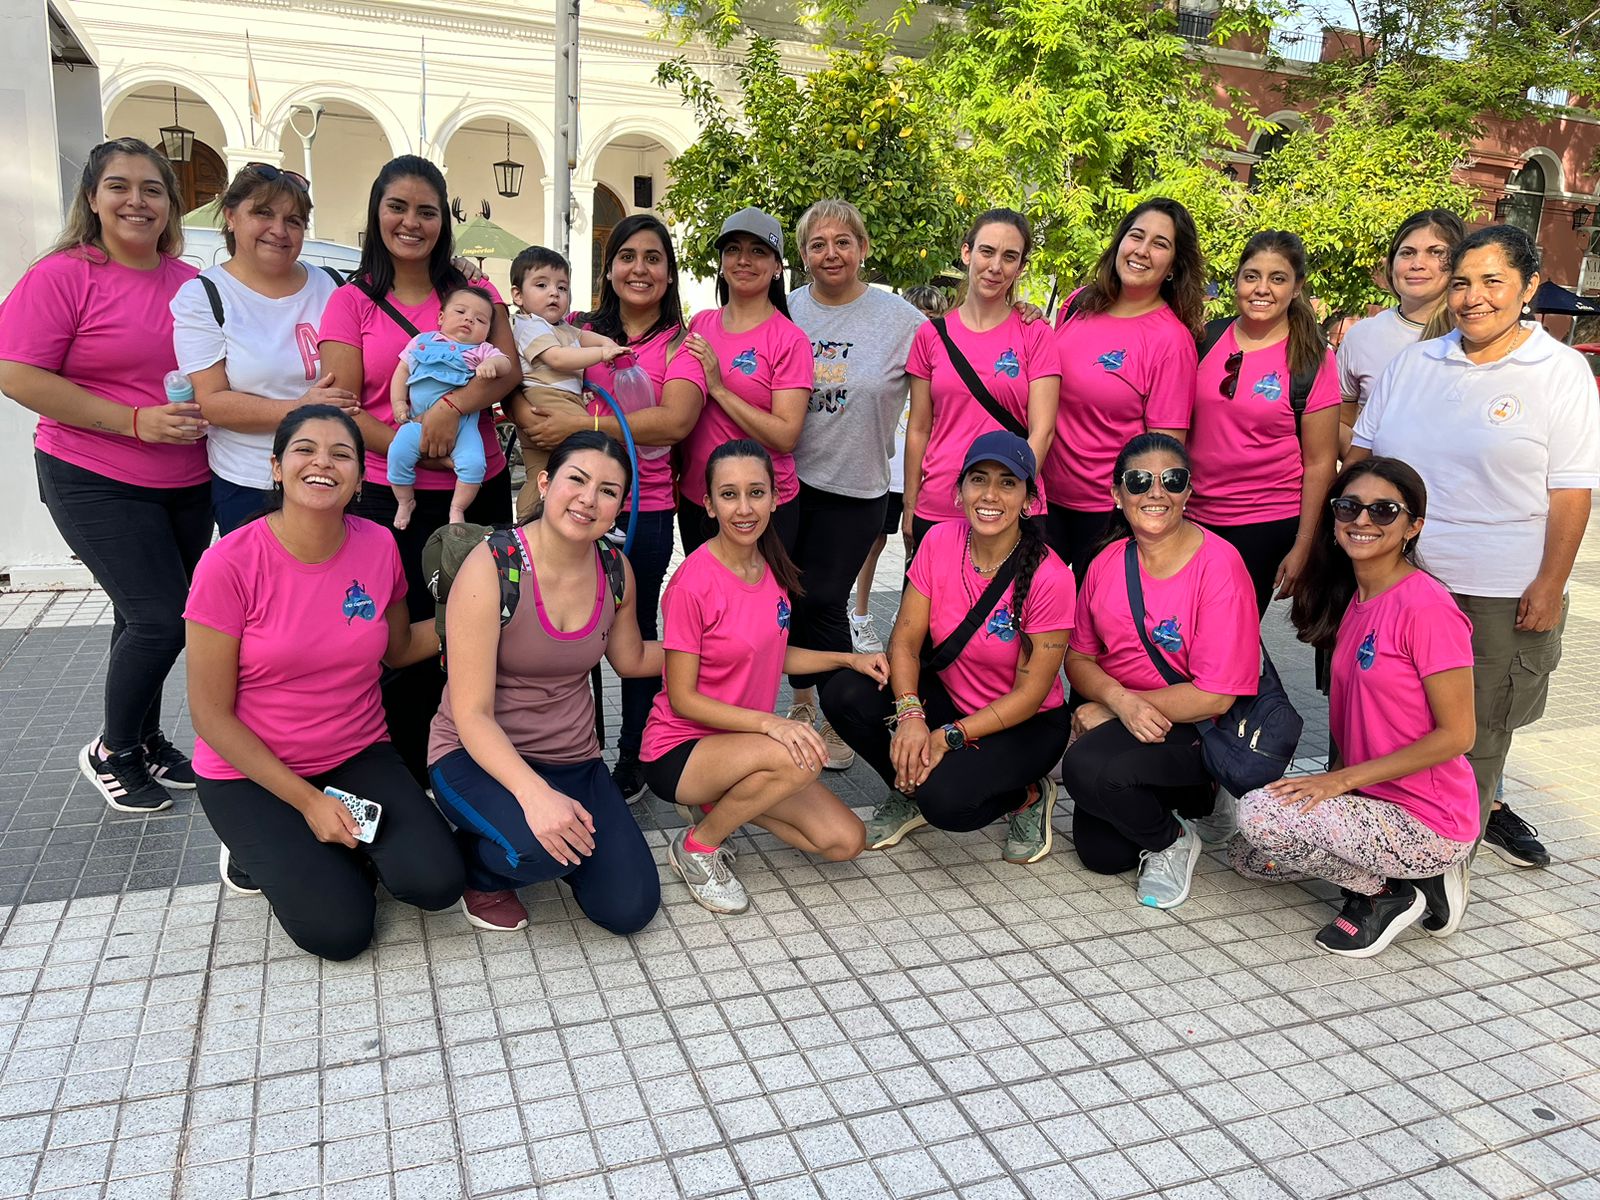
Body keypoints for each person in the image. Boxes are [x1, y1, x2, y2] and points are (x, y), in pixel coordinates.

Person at [1350, 224, 1600, 869]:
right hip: (1399, 584)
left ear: (1528, 288)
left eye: (1493, 281)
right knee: (1385, 719)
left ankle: (1445, 869)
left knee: (1477, 734)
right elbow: (1363, 459)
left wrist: (1550, 583)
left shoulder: (1560, 372)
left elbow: (1572, 492)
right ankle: (1376, 851)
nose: (1473, 297)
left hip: (1498, 589)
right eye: (1461, 282)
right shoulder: (1415, 365)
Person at [184, 405, 464, 960]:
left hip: (356, 752)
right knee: (340, 933)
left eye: (341, 454)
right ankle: (259, 846)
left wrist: (481, 615)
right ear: (277, 468)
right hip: (251, 771)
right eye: (305, 450)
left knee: (437, 883)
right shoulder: (227, 564)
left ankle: (311, 848)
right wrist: (308, 802)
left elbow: (398, 648)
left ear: (360, 479)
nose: (323, 463)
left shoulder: (378, 544)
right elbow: (209, 716)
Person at [0, 137, 209, 813]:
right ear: (92, 198)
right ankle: (112, 750)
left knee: (142, 615)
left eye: (152, 189)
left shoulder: (187, 281)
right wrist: (133, 421)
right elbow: (16, 373)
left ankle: (144, 738)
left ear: (170, 203)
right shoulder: (64, 275)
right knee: (161, 618)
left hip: (186, 479)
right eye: (118, 186)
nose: (136, 201)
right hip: (92, 474)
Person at [317, 155, 520, 783]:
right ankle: (409, 769)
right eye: (397, 207)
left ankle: (474, 763)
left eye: (427, 211)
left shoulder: (474, 294)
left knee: (487, 624)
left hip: (477, 489)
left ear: (443, 221)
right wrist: (420, 440)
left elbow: (507, 372)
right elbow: (344, 408)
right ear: (376, 212)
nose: (411, 222)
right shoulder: (350, 302)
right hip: (390, 492)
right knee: (403, 639)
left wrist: (451, 410)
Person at [1231, 457, 1475, 957]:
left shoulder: (1428, 608)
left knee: (1261, 817)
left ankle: (1388, 893)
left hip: (1426, 818)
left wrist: (1336, 783)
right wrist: (1336, 788)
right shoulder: (1353, 597)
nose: (1363, 520)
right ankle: (1409, 877)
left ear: (1413, 526)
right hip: (1370, 801)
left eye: (1384, 510)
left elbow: (1458, 735)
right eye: (1349, 507)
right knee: (1249, 857)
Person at [428, 432, 663, 934]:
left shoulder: (615, 570)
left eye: (607, 491)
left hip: (573, 760)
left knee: (629, 908)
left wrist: (719, 648)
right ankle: (479, 869)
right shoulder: (494, 566)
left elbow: (633, 659)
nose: (588, 499)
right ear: (544, 483)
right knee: (538, 850)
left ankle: (548, 842)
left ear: (619, 507)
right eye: (576, 480)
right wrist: (535, 796)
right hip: (475, 756)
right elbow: (471, 715)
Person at [640, 440, 885, 915]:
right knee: (801, 756)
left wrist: (847, 659)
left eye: (756, 492)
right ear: (709, 504)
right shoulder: (692, 583)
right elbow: (684, 698)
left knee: (845, 841)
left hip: (745, 751)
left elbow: (773, 651)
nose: (744, 508)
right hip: (681, 749)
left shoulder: (771, 567)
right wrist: (773, 724)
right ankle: (698, 846)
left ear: (776, 498)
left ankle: (722, 804)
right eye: (728, 495)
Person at [517, 214, 707, 803]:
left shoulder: (681, 343)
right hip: (568, 505)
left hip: (643, 510)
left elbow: (674, 421)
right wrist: (530, 419)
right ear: (609, 268)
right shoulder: (573, 328)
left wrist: (582, 426)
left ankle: (635, 755)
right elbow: (525, 382)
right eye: (627, 256)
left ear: (669, 272)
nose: (639, 269)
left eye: (653, 258)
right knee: (564, 627)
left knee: (635, 632)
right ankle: (577, 750)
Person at [823, 431, 1075, 863]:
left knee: (947, 803)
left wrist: (947, 736)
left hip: (1024, 724)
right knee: (844, 692)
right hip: (950, 697)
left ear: (1029, 500)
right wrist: (911, 716)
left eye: (1008, 483)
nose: (990, 495)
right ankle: (907, 788)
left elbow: (1031, 695)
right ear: (959, 492)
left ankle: (1027, 796)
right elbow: (904, 642)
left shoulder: (1051, 577)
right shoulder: (940, 541)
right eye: (978, 479)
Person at [1061, 434, 1260, 909]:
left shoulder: (1220, 564)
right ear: (1117, 494)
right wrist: (1119, 701)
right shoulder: (1105, 562)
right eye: (1139, 481)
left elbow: (1215, 695)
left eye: (1172, 479)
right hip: (1132, 719)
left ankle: (1178, 835)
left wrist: (1119, 710)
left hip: (1199, 726)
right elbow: (1078, 658)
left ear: (1189, 490)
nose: (1156, 492)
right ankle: (1175, 807)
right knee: (1102, 854)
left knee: (1085, 767)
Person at [783, 200, 928, 770]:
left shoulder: (902, 321)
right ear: (802, 255)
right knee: (790, 596)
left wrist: (914, 497)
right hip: (789, 484)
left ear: (863, 248)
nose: (831, 253)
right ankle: (802, 705)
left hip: (858, 488)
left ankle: (841, 714)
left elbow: (930, 410)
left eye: (843, 241)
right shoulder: (788, 308)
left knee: (823, 598)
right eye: (817, 244)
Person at [171, 162, 356, 534]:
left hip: (332, 475)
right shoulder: (205, 295)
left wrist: (458, 273)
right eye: (263, 213)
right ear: (231, 216)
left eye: (294, 220)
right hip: (251, 483)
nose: (279, 230)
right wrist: (299, 408)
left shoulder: (334, 285)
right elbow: (211, 402)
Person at [1043, 198, 1204, 579]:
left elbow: (1163, 453)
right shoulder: (1078, 304)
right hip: (1043, 502)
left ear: (1173, 266)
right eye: (1136, 236)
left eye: (1160, 244)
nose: (1142, 251)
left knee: (1091, 617)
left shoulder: (1171, 341)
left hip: (1108, 517)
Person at [1185, 231, 1340, 615]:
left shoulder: (1311, 359)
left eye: (1278, 278)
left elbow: (1320, 463)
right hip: (1190, 516)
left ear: (1297, 287)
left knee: (1231, 631)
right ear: (1237, 280)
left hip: (1264, 525)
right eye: (1252, 276)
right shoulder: (1204, 339)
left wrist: (1303, 545)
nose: (1262, 289)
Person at [903, 209, 1060, 552]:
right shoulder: (931, 335)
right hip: (940, 503)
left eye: (1009, 257)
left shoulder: (1034, 334)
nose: (995, 266)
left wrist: (1014, 493)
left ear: (1020, 267)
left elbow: (1043, 431)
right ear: (966, 252)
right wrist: (910, 504)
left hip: (1009, 508)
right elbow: (919, 428)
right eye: (987, 251)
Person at [678, 208, 813, 553]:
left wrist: (719, 389)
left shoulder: (790, 340)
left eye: (758, 251)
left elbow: (786, 436)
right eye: (733, 249)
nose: (743, 260)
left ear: (777, 267)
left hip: (759, 506)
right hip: (699, 498)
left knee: (759, 590)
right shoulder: (701, 324)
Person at [851, 284, 950, 655]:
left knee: (917, 551)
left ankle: (908, 616)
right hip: (884, 472)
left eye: (933, 317)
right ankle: (860, 614)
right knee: (873, 543)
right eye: (919, 316)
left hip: (921, 475)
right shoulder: (889, 361)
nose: (925, 324)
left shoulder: (942, 365)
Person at [506, 245, 626, 519]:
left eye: (562, 288)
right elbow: (558, 358)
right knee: (592, 450)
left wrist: (608, 343)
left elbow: (584, 337)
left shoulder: (560, 327)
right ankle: (531, 521)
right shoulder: (528, 325)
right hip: (547, 398)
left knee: (546, 470)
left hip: (560, 398)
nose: (554, 293)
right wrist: (602, 354)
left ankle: (534, 521)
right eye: (542, 285)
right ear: (518, 295)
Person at [1337, 209, 1466, 454]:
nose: (1417, 264)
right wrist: (1367, 465)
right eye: (1407, 253)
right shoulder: (1362, 335)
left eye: (1435, 252)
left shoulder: (1472, 337)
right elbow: (1341, 422)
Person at [387, 286, 515, 528]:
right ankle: (405, 500)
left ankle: (457, 508)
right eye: (460, 312)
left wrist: (492, 365)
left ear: (487, 332)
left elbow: (506, 364)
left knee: (474, 465)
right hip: (417, 421)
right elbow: (402, 371)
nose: (469, 319)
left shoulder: (481, 350)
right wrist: (398, 402)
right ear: (441, 317)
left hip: (463, 426)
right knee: (397, 453)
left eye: (480, 320)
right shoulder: (422, 341)